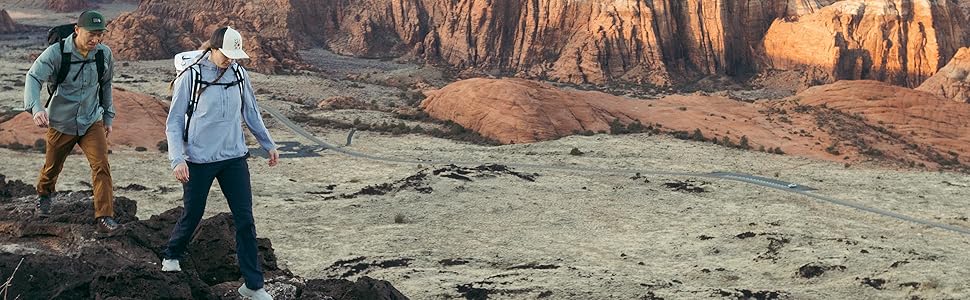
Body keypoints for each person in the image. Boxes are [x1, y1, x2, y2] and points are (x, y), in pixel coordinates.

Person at [161, 26, 279, 300]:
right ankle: (171, 255)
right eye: (226, 55)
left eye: (234, 55)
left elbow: (251, 111)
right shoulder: (191, 76)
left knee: (245, 220)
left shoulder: (239, 73)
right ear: (212, 50)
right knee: (193, 213)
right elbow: (174, 122)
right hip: (199, 159)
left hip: (234, 157)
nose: (230, 60)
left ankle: (253, 285)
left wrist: (268, 144)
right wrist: (177, 159)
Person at [23, 10, 119, 233]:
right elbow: (33, 77)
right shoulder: (56, 53)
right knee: (52, 166)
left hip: (90, 120)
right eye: (91, 34)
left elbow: (106, 85)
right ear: (77, 30)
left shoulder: (103, 54)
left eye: (100, 35)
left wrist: (107, 117)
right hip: (61, 122)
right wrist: (36, 108)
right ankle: (44, 194)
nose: (96, 39)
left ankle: (104, 216)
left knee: (101, 166)